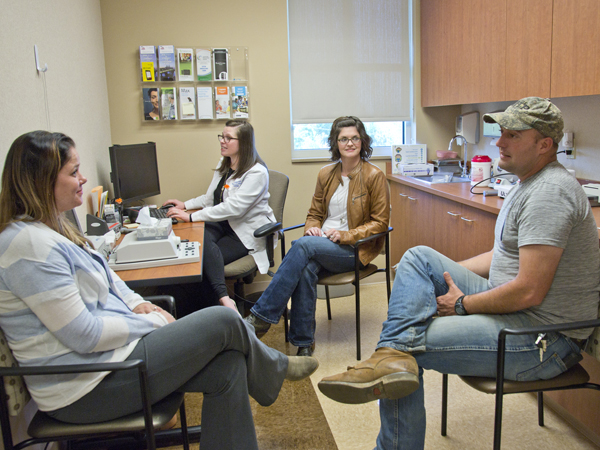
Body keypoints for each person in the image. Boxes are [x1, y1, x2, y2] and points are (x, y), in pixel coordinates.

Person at [0, 130, 319, 450]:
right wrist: (153, 322)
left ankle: (265, 373)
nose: (83, 178)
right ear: (40, 181)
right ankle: (273, 370)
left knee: (229, 366)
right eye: (73, 172)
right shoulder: (29, 246)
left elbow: (108, 278)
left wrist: (138, 303)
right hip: (84, 388)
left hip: (109, 364)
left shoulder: (52, 229)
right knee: (224, 321)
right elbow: (84, 334)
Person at [317, 97, 600, 449]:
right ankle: (390, 353)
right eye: (501, 133)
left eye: (512, 135)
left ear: (544, 145)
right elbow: (503, 255)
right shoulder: (528, 182)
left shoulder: (550, 194)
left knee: (408, 356)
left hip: (540, 339)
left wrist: (463, 303)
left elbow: (528, 292)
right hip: (518, 311)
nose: (499, 142)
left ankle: (389, 360)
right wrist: (438, 276)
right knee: (418, 259)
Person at [243, 116, 390, 356]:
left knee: (302, 247)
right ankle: (303, 343)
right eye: (344, 139)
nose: (349, 143)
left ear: (362, 141)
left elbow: (380, 223)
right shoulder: (326, 174)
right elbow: (314, 213)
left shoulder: (374, 176)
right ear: (336, 143)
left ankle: (261, 317)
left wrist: (346, 235)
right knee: (306, 266)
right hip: (321, 245)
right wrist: (312, 227)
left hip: (353, 249)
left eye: (354, 138)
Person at [164, 120, 276, 314]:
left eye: (228, 138)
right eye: (221, 137)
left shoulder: (257, 172)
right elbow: (211, 198)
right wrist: (186, 205)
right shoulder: (225, 164)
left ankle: (221, 302)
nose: (222, 142)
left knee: (201, 261)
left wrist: (191, 217)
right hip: (223, 225)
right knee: (198, 242)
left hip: (244, 232)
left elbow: (234, 208)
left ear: (244, 142)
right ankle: (219, 302)